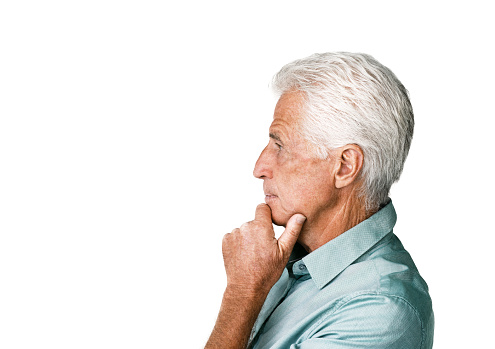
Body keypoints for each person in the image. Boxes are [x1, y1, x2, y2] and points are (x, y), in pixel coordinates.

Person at [205, 52, 434, 349]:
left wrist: (242, 293)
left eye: (280, 145)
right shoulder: (287, 261)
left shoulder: (380, 311)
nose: (259, 168)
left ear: (344, 167)